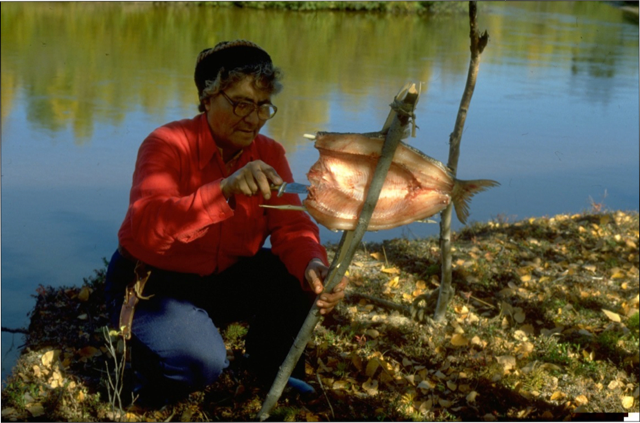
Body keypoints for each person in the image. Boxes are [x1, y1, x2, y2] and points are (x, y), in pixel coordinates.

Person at [104, 39, 348, 407]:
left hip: (224, 276)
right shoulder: (167, 144)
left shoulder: (269, 154)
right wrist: (223, 190)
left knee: (299, 278)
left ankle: (266, 367)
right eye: (241, 104)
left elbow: (291, 229)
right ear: (207, 98)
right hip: (155, 282)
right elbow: (147, 228)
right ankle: (149, 374)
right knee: (200, 363)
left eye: (263, 106)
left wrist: (314, 263)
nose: (253, 119)